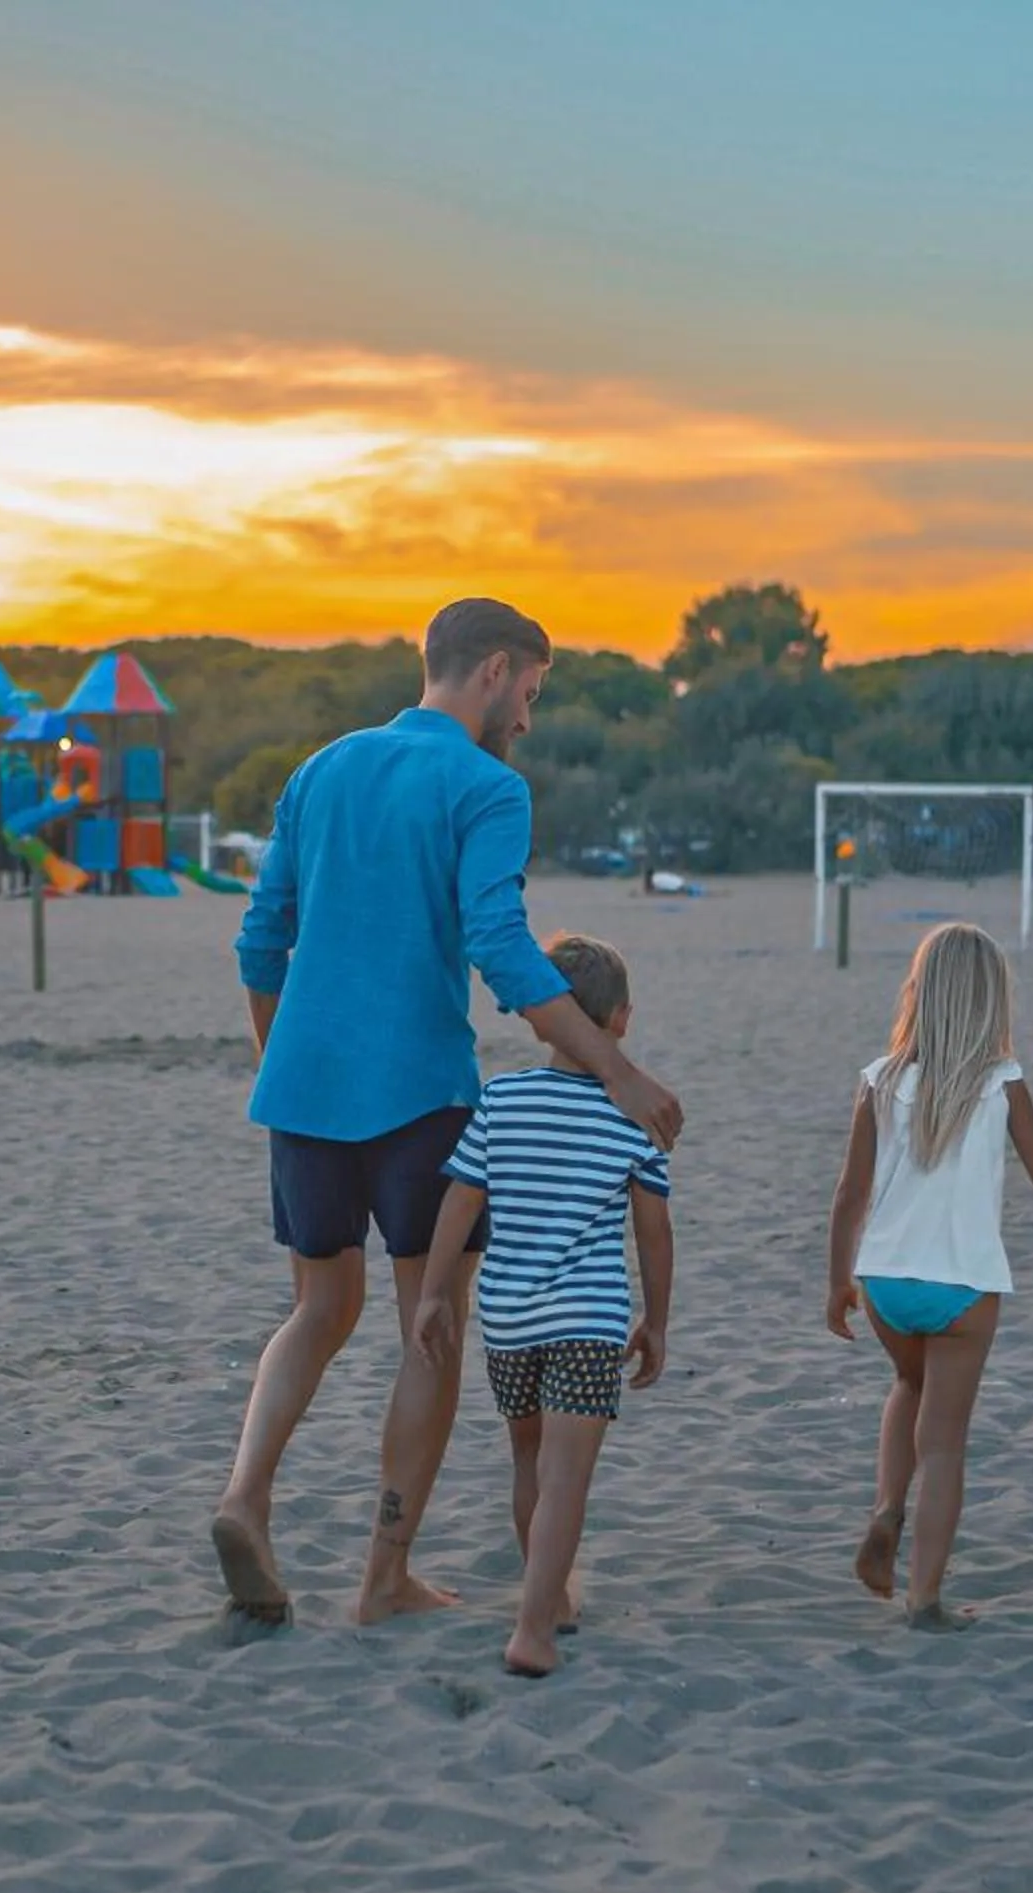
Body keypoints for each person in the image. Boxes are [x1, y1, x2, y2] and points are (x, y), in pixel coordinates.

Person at [214, 599, 686, 1628]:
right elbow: (504, 951)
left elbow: (261, 944)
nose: (527, 715)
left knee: (316, 1307)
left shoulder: (322, 768)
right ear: (496, 670)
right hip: (420, 1092)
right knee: (427, 1332)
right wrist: (619, 1070)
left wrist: (287, 1058)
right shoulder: (487, 786)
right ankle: (383, 1575)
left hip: (305, 1091)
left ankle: (245, 1495)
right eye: (531, 691)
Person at [411, 935, 674, 1677]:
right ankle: (533, 1626)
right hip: (587, 1322)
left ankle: (551, 1599)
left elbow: (462, 1202)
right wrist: (657, 1319)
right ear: (620, 1019)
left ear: (541, 1018)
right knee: (567, 1479)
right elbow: (653, 1233)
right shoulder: (634, 1114)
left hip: (510, 1318)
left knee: (528, 1459)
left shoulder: (504, 1098)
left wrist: (435, 1292)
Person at [822, 923, 1033, 1631]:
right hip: (963, 1285)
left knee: (908, 1383)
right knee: (945, 1444)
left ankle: (885, 1511)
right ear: (992, 1000)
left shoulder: (880, 1079)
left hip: (886, 1282)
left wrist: (837, 1280)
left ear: (919, 991)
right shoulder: (1002, 1081)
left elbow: (849, 1193)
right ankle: (925, 1598)